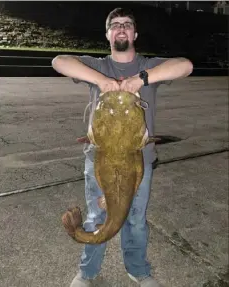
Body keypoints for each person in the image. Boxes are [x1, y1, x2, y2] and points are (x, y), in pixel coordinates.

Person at [52, 7, 193, 287]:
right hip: (99, 160)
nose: (121, 28)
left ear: (135, 33)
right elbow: (58, 61)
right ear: (107, 34)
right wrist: (101, 81)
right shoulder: (99, 66)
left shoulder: (149, 65)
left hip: (140, 158)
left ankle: (138, 270)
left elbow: (186, 66)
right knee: (96, 217)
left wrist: (140, 79)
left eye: (127, 24)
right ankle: (87, 272)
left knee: (136, 221)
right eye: (115, 25)